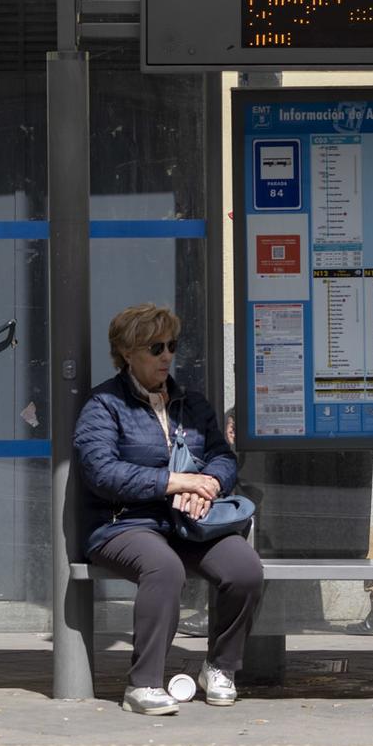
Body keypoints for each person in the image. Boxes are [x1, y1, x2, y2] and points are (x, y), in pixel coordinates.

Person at [74, 304, 264, 715]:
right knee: (164, 568)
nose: (166, 356)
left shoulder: (190, 403)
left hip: (189, 521)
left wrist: (210, 483)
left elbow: (222, 456)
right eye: (155, 347)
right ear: (127, 353)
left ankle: (220, 667)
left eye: (171, 346)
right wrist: (176, 482)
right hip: (123, 522)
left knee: (244, 568)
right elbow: (102, 472)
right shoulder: (104, 405)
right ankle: (143, 684)